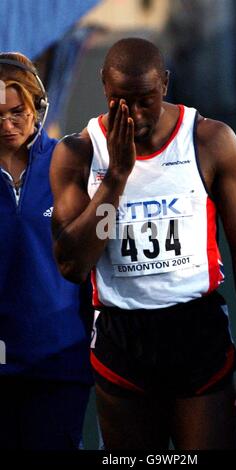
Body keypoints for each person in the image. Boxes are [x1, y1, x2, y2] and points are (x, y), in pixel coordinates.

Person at [50, 38, 236, 450]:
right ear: (103, 85)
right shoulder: (78, 154)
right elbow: (73, 266)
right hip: (121, 337)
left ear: (165, 84)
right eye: (119, 101)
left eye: (144, 100)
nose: (132, 114)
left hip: (196, 330)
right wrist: (114, 179)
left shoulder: (211, 141)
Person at [0, 52, 94, 450]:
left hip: (61, 363)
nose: (6, 125)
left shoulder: (72, 163)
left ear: (38, 107)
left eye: (16, 112)